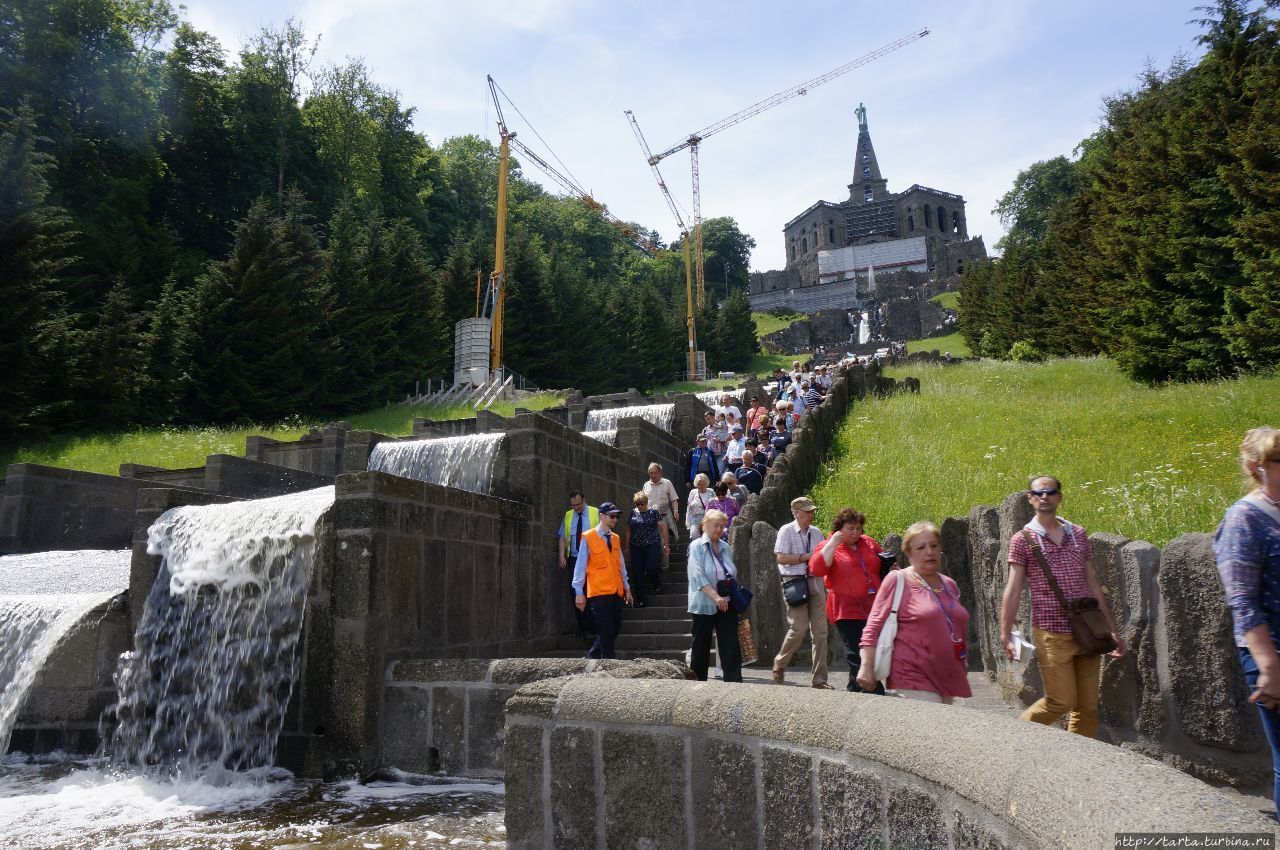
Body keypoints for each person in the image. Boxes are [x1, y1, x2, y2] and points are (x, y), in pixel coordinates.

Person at [999, 475, 1124, 737]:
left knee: (1087, 707)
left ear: (1060, 497)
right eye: (1039, 493)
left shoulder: (1078, 534)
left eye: (1051, 492)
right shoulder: (1023, 539)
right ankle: (1013, 738)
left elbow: (1092, 583)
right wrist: (1005, 634)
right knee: (1061, 701)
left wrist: (1112, 630)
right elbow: (1012, 591)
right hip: (1051, 632)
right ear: (1030, 498)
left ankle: (1079, 762)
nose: (1045, 496)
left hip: (1089, 629)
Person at [1214, 427, 1280, 821]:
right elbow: (1242, 600)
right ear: (1259, 467)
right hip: (1270, 650)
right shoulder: (1243, 519)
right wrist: (1270, 667)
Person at [858, 522, 972, 703]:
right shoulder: (897, 580)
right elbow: (873, 626)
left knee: (942, 730)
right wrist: (866, 666)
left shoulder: (949, 584)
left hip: (947, 675)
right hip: (913, 675)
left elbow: (955, 626)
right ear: (909, 553)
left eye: (934, 546)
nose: (929, 551)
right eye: (921, 547)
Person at [810, 508, 886, 694]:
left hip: (873, 606)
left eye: (858, 528)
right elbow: (817, 569)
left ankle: (855, 689)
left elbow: (882, 560)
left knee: (872, 648)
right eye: (850, 528)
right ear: (839, 528)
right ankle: (874, 690)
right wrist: (833, 543)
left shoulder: (867, 542)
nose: (855, 532)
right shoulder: (828, 545)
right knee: (855, 651)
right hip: (846, 609)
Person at [772, 495, 831, 688]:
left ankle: (820, 679)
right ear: (796, 512)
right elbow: (780, 558)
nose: (811, 514)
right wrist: (805, 557)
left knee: (821, 632)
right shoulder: (786, 531)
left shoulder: (816, 532)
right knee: (798, 628)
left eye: (812, 510)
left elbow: (823, 558)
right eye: (807, 511)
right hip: (795, 581)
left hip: (815, 581)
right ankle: (780, 663)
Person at [687, 508, 743, 682]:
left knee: (730, 644)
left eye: (722, 526)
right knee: (701, 645)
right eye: (715, 525)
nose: (719, 529)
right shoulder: (696, 546)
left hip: (726, 602)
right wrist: (715, 596)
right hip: (704, 602)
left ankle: (734, 682)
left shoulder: (725, 546)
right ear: (705, 525)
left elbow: (732, 572)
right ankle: (697, 682)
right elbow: (697, 575)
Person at [573, 501, 633, 659]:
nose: (615, 519)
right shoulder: (589, 537)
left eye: (617, 516)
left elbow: (620, 565)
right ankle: (608, 663)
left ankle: (592, 657)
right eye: (612, 516)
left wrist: (627, 587)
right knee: (606, 630)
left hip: (616, 591)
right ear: (602, 516)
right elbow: (580, 566)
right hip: (599, 593)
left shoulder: (615, 538)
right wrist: (579, 592)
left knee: (615, 629)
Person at [557, 490, 599, 638]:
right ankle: (584, 628)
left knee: (591, 593)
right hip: (575, 560)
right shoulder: (568, 515)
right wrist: (562, 555)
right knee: (576, 593)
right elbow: (562, 537)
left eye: (578, 504)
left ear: (584, 500)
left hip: (592, 559)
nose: (575, 508)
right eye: (572, 505)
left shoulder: (596, 512)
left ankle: (594, 627)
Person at [624, 491, 669, 607]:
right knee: (637, 573)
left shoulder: (653, 512)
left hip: (652, 545)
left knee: (651, 567)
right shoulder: (633, 513)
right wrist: (627, 546)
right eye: (638, 505)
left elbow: (663, 528)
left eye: (642, 504)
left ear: (646, 503)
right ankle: (641, 599)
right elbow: (629, 530)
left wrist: (666, 545)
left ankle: (657, 585)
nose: (640, 507)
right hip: (636, 546)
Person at [643, 462, 681, 550]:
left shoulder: (667, 483)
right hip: (650, 518)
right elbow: (642, 501)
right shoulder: (646, 485)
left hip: (663, 516)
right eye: (651, 473)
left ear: (660, 472)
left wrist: (676, 511)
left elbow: (674, 499)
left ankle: (664, 563)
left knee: (663, 542)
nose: (653, 475)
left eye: (655, 472)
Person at [686, 473, 714, 540]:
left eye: (702, 484)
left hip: (708, 520)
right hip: (695, 520)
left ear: (706, 484)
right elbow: (689, 507)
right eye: (698, 484)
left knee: (707, 539)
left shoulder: (711, 492)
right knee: (694, 537)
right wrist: (688, 522)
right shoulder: (693, 492)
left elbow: (716, 506)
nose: (700, 486)